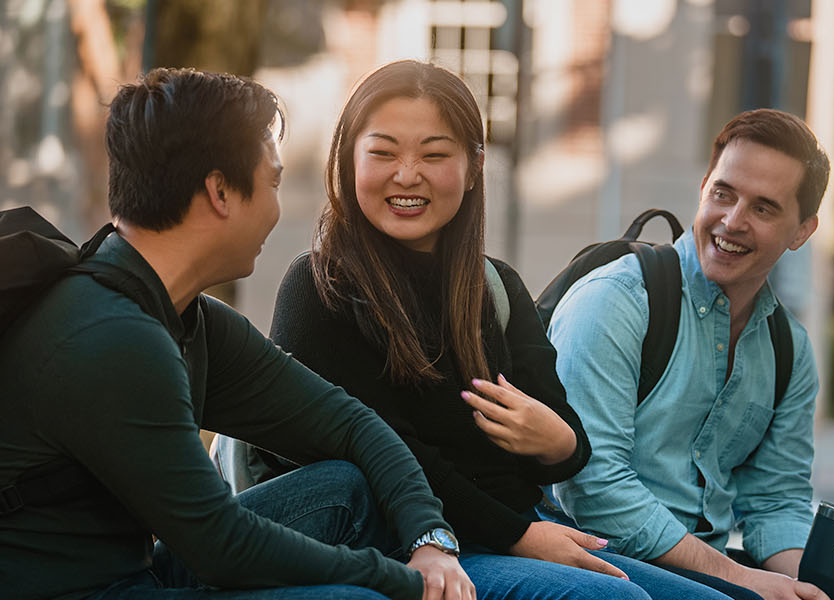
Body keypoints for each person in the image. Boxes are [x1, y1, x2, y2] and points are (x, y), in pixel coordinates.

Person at [0, 67, 472, 600]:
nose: (277, 209)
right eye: (272, 182)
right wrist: (400, 582)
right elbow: (220, 546)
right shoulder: (111, 337)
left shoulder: (181, 314)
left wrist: (430, 538)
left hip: (135, 575)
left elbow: (350, 424)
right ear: (220, 191)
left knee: (344, 488)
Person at [267, 60, 648, 600]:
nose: (406, 174)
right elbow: (390, 453)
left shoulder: (495, 285)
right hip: (407, 548)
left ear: (473, 167)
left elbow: (570, 442)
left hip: (523, 528)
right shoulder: (319, 287)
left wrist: (556, 439)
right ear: (348, 159)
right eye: (383, 152)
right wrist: (517, 536)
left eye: (434, 153)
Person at [547, 109, 834, 600]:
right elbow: (593, 489)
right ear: (703, 189)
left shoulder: (789, 351)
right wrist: (740, 577)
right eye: (723, 194)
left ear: (802, 231)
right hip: (596, 555)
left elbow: (776, 500)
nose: (732, 221)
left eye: (763, 208)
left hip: (706, 563)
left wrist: (813, 589)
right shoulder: (616, 300)